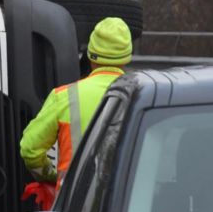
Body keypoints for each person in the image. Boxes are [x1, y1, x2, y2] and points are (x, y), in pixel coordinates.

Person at [19, 17, 132, 193]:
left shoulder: (64, 96)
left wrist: (52, 175)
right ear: (127, 58)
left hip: (73, 205)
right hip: (125, 205)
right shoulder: (142, 95)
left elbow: (30, 149)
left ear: (90, 55)